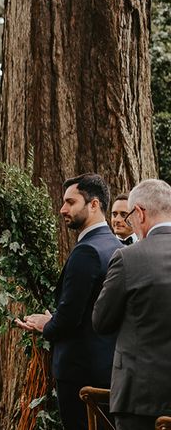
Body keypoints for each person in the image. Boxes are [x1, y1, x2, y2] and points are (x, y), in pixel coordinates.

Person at [15, 173, 122, 430]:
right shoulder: (114, 245)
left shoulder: (88, 251)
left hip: (80, 371)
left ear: (94, 204)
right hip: (110, 365)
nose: (63, 209)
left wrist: (45, 324)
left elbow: (70, 319)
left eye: (70, 202)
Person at [93, 178, 171, 430]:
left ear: (139, 213)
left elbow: (101, 322)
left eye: (129, 218)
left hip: (140, 396)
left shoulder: (128, 258)